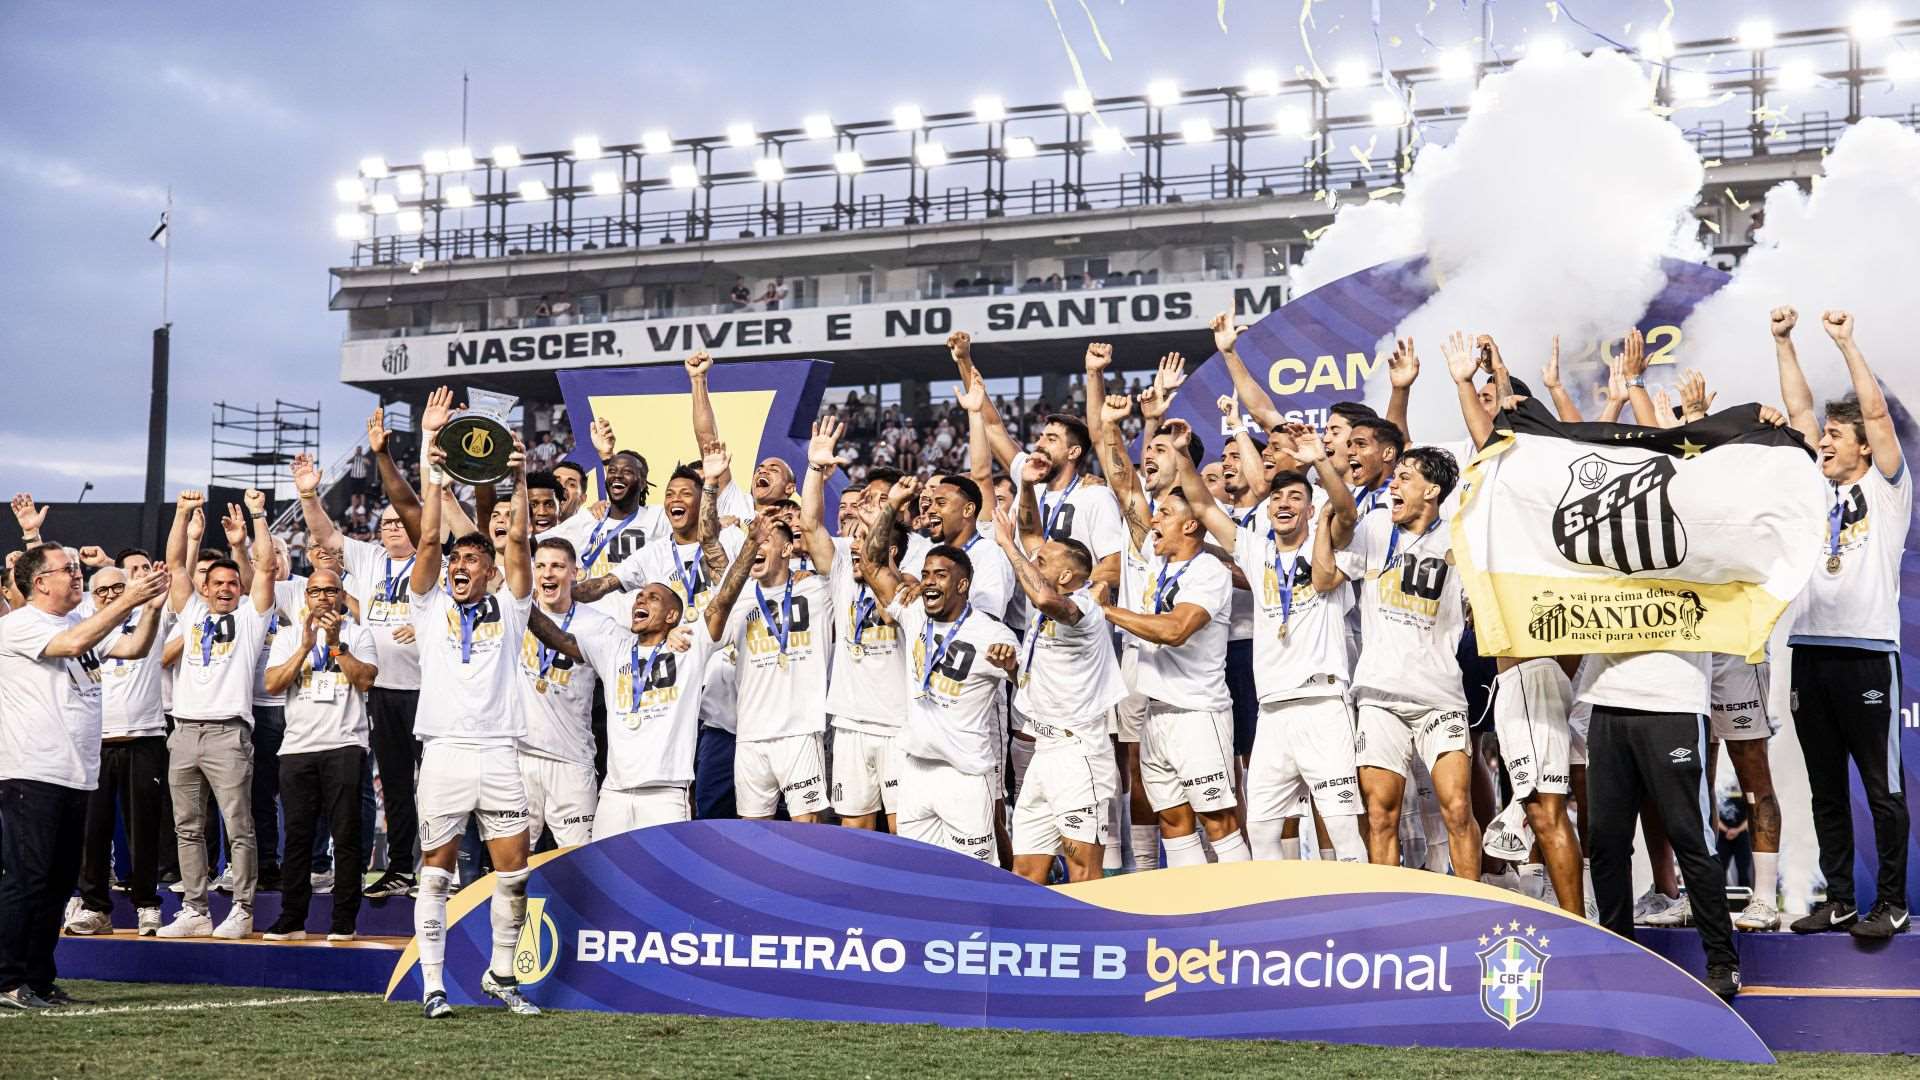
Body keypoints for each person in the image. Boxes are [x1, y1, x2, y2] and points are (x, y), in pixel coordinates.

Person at [1774, 307, 1910, 939]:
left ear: (1862, 444)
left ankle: (1891, 900)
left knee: (1882, 788)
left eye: (1835, 434)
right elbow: (1797, 411)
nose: (1823, 442)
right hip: (1811, 652)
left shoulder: (1887, 488)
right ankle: (1840, 899)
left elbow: (1877, 414)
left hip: (1865, 653)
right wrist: (1785, 343)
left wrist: (1846, 342)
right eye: (1823, 434)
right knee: (1824, 786)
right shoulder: (1815, 483)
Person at [406, 385, 540, 1019]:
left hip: (500, 750)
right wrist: (432, 465)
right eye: (457, 557)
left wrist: (516, 476)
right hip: (446, 751)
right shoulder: (429, 606)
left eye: (472, 559)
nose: (461, 564)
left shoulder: (511, 609)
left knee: (513, 871)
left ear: (486, 571)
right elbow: (426, 544)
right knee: (436, 870)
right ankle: (433, 984)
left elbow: (518, 546)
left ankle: (502, 975)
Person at [0, 544, 167, 1009]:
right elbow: (73, 647)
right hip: (32, 770)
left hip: (75, 773)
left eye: (77, 567)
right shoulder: (19, 625)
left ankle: (38, 978)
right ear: (39, 582)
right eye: (68, 570)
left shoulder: (76, 622)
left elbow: (133, 648)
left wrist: (150, 609)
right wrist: (128, 599)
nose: (77, 576)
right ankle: (6, 979)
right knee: (27, 879)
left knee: (57, 884)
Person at [1317, 446, 1481, 879]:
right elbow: (1325, 578)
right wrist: (1322, 522)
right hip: (1379, 695)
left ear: (1432, 490)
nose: (1394, 483)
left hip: (1440, 695)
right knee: (1380, 815)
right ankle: (1386, 910)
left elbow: (1479, 610)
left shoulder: (1459, 539)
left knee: (1458, 808)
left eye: (1405, 477)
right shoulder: (1374, 526)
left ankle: (1472, 907)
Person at [857, 495, 1020, 861]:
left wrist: (1010, 666)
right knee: (919, 870)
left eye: (940, 575)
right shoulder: (914, 612)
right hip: (915, 769)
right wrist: (890, 507)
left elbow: (1028, 682)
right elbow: (870, 563)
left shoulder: (990, 633)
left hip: (963, 775)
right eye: (927, 573)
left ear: (962, 586)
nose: (929, 582)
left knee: (976, 878)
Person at [294, 443, 422, 900]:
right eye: (385, 522)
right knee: (397, 786)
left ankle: (448, 871)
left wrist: (423, 622)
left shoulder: (436, 560)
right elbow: (327, 539)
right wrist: (309, 496)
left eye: (398, 521)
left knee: (435, 787)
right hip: (382, 688)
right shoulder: (368, 559)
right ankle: (403, 869)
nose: (391, 527)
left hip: (430, 688)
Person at [1101, 481, 1250, 867]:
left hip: (1197, 713)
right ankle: (1197, 917)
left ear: (1190, 525)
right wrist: (1111, 428)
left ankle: (1247, 913)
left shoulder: (1208, 572)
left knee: (1218, 821)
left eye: (1165, 513)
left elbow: (1175, 630)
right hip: (1156, 712)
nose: (1154, 519)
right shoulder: (1156, 563)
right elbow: (1127, 492)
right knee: (1172, 819)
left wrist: (1108, 610)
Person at [154, 489, 277, 940]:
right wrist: (184, 514)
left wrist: (258, 518)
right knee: (188, 827)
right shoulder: (189, 613)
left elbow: (265, 566)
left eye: (232, 584)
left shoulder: (250, 619)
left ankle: (243, 908)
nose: (226, 589)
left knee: (238, 826)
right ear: (204, 587)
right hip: (184, 730)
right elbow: (174, 566)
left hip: (228, 732)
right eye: (218, 583)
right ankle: (195, 909)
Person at [996, 496, 1127, 882]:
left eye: (1042, 562)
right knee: (1025, 870)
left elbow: (1041, 595)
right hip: (1043, 752)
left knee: (1083, 870)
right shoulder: (1045, 613)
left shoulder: (1082, 607)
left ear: (1067, 577)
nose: (1033, 565)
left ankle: (1093, 943)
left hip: (1079, 754)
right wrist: (1012, 669)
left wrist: (1008, 545)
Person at [701, 450, 834, 823]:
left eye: (765, 541)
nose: (756, 547)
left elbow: (813, 526)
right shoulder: (739, 596)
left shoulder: (819, 590)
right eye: (752, 542)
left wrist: (815, 469)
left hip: (799, 729)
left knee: (809, 828)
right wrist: (710, 487)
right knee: (753, 832)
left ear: (789, 548)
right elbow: (709, 543)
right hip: (750, 734)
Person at [530, 574, 714, 837]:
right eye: (639, 595)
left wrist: (752, 541)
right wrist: (521, 602)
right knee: (606, 875)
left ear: (672, 616)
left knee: (665, 877)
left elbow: (722, 603)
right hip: (614, 793)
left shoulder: (688, 647)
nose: (641, 599)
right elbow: (559, 639)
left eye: (653, 597)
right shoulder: (614, 648)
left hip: (665, 794)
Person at [259, 569, 377, 942]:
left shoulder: (359, 633)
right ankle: (292, 919)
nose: (323, 597)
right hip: (298, 748)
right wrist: (305, 648)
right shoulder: (291, 636)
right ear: (305, 597)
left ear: (342, 595)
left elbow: (366, 680)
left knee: (345, 836)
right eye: (316, 591)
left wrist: (337, 644)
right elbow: (273, 684)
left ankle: (344, 920)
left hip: (345, 744)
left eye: (331, 590)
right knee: (296, 838)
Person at [64, 564, 174, 939]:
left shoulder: (149, 613)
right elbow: (53, 589)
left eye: (117, 587)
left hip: (143, 738)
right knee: (92, 831)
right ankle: (95, 908)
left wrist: (153, 607)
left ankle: (146, 904)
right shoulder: (84, 626)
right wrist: (32, 536)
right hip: (93, 742)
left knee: (143, 828)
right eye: (102, 590)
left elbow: (140, 645)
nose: (110, 594)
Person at [512, 538, 609, 848]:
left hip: (572, 760)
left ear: (574, 573)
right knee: (512, 863)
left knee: (580, 862)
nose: (547, 574)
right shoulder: (513, 612)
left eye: (557, 566)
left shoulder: (599, 626)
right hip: (519, 756)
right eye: (540, 566)